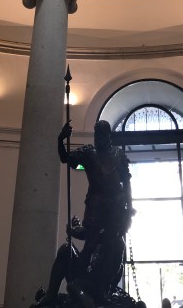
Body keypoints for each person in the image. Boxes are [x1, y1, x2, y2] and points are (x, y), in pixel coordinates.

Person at [58, 119, 135, 304]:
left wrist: (128, 207)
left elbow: (126, 182)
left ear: (108, 135)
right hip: (96, 202)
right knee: (90, 244)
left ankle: (102, 289)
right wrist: (61, 140)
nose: (98, 137)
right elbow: (65, 158)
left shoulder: (118, 154)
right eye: (96, 133)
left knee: (110, 247)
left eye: (101, 133)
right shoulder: (88, 152)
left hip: (116, 205)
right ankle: (78, 282)